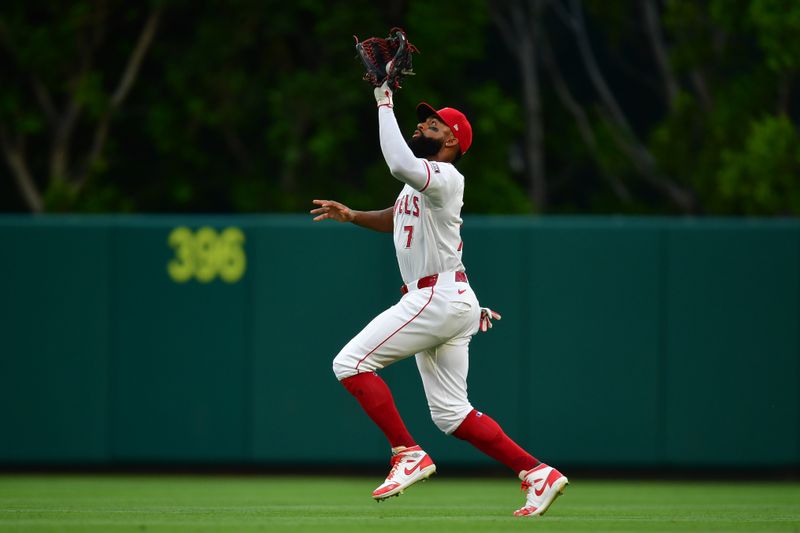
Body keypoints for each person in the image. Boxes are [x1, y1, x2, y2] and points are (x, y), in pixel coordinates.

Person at [310, 79, 568, 517]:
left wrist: (383, 98)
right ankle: (537, 473)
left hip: (436, 296)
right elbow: (397, 217)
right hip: (449, 298)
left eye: (432, 124)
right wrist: (352, 215)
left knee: (349, 364)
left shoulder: (446, 177)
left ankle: (406, 453)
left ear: (451, 139)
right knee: (452, 416)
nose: (421, 128)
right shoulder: (422, 187)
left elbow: (397, 163)